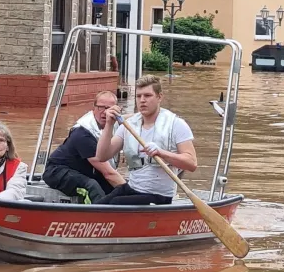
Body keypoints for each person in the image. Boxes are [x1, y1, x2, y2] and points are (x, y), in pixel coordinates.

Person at [95, 75, 197, 205]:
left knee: (116, 203)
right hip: (133, 188)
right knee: (98, 207)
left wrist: (161, 153)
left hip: (158, 195)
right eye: (138, 96)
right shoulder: (129, 124)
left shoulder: (176, 124)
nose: (142, 100)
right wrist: (109, 125)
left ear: (159, 97)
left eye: (147, 96)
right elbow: (101, 156)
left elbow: (192, 164)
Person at [42, 91, 126, 204]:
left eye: (110, 109)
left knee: (113, 188)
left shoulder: (112, 124)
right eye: (101, 107)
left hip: (82, 171)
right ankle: (101, 218)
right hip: (57, 171)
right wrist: (132, 193)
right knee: (91, 186)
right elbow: (109, 173)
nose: (105, 112)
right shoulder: (83, 134)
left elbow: (130, 119)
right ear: (94, 108)